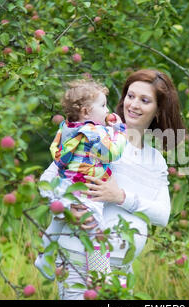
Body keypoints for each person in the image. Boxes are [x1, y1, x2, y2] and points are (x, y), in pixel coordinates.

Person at [38, 69, 185, 299]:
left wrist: (121, 197)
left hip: (121, 271)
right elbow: (47, 182)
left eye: (144, 100)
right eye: (130, 96)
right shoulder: (97, 137)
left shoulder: (155, 159)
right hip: (79, 261)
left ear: (158, 110)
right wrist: (67, 208)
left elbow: (162, 215)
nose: (133, 104)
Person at [35, 79, 127, 281]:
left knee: (58, 222)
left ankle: (45, 256)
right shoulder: (93, 132)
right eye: (103, 106)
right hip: (84, 191)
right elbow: (112, 152)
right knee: (96, 233)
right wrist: (120, 131)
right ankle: (99, 275)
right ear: (86, 112)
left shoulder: (67, 128)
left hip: (66, 187)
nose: (107, 110)